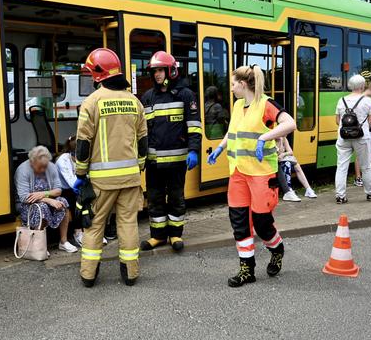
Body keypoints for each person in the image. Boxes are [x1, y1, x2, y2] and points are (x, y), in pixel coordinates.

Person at [207, 65, 297, 287]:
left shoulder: (266, 104)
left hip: (261, 175)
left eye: (233, 84)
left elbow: (290, 123)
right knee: (239, 223)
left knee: (261, 223)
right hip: (238, 172)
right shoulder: (238, 105)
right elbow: (233, 131)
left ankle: (277, 249)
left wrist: (264, 138)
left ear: (243, 84)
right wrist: (220, 148)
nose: (231, 88)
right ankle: (247, 270)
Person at [72, 48, 148, 288]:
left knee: (95, 226)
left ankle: (88, 275)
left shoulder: (92, 102)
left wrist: (80, 174)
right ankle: (131, 274)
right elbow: (143, 141)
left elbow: (83, 143)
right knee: (128, 223)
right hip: (130, 178)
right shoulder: (134, 101)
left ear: (97, 74)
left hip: (101, 182)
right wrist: (139, 168)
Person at [140, 51, 202, 252]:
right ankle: (157, 236)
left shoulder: (185, 95)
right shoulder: (147, 98)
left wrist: (194, 151)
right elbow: (142, 131)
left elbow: (194, 126)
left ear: (171, 70)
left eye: (160, 70)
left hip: (177, 160)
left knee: (176, 197)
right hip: (154, 162)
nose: (157, 74)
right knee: (155, 198)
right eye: (155, 71)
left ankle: (175, 234)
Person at [14, 145, 78, 253]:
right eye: (40, 167)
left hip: (47, 199)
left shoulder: (51, 167)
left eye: (45, 166)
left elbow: (58, 190)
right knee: (42, 207)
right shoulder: (23, 170)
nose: (43, 169)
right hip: (25, 204)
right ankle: (40, 245)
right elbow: (24, 197)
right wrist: (48, 200)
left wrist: (43, 194)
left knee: (63, 202)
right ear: (32, 162)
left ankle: (63, 241)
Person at [334, 74, 371, 204]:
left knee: (341, 166)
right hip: (362, 137)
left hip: (343, 138)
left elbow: (337, 121)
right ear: (362, 86)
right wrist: (360, 129)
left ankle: (340, 196)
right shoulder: (367, 100)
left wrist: (348, 130)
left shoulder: (341, 100)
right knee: (366, 166)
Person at [55, 136, 83, 247]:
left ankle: (92, 232)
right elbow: (72, 183)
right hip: (62, 190)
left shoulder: (77, 157)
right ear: (73, 153)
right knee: (79, 199)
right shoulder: (63, 161)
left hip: (74, 189)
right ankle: (78, 232)